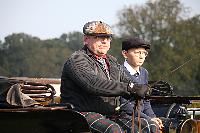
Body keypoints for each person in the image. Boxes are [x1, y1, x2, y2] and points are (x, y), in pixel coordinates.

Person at [60, 21, 151, 133]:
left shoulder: (112, 61)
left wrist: (142, 88)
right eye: (99, 37)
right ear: (86, 39)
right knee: (113, 130)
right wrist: (130, 88)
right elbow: (94, 84)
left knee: (148, 125)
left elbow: (126, 81)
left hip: (112, 114)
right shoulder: (77, 60)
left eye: (108, 38)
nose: (104, 41)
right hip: (81, 114)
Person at [118, 37, 164, 132]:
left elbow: (146, 100)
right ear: (125, 54)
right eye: (137, 52)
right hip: (125, 116)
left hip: (143, 116)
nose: (141, 56)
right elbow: (124, 105)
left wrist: (153, 117)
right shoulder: (118, 71)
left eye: (144, 53)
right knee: (151, 127)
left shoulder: (144, 72)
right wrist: (149, 119)